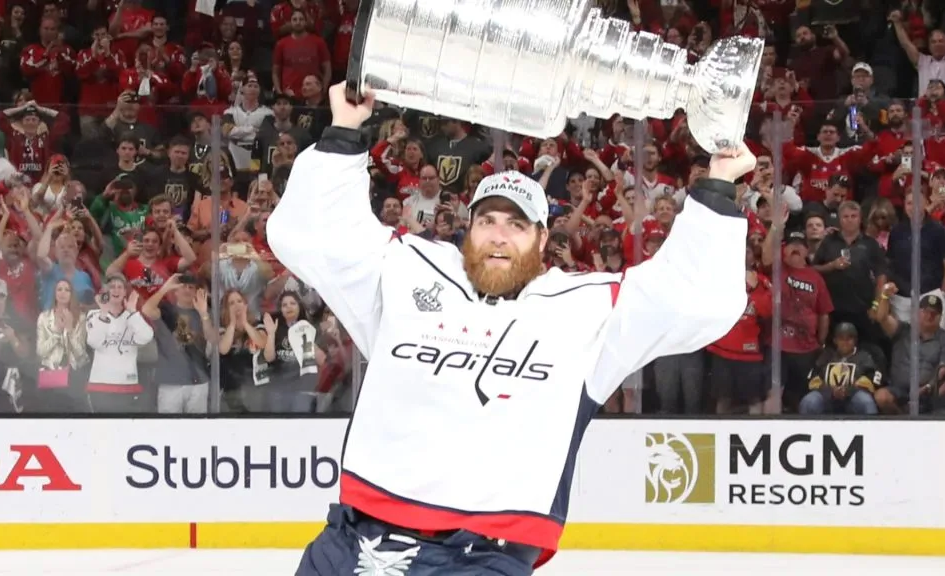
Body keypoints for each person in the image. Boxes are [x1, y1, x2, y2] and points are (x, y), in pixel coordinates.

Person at [268, 82, 755, 576]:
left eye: (518, 226)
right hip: (351, 539)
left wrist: (717, 185)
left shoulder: (586, 311)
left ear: (544, 239)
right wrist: (344, 131)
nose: (500, 236)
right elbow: (312, 236)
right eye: (489, 221)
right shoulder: (408, 270)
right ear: (467, 228)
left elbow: (693, 296)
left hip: (481, 555)